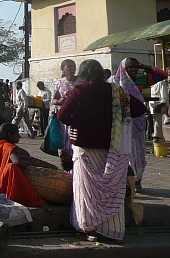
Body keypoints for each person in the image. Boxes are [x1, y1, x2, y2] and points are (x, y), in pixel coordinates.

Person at [58, 59, 146, 241]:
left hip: (86, 148)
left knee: (88, 191)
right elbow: (139, 109)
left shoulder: (79, 91)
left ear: (84, 74)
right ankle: (111, 228)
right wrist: (119, 120)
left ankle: (90, 229)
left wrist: (80, 122)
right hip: (113, 148)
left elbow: (63, 116)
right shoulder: (116, 91)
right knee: (111, 189)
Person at [113, 57, 167, 192]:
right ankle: (128, 182)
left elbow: (163, 75)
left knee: (139, 154)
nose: (133, 70)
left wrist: (145, 66)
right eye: (130, 67)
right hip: (122, 125)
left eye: (135, 67)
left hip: (138, 125)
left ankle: (137, 180)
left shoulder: (141, 80)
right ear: (123, 68)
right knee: (126, 153)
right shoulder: (115, 82)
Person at [0, 123, 56, 208]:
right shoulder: (7, 146)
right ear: (10, 135)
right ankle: (33, 200)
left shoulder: (0, 144)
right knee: (12, 168)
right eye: (17, 133)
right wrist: (30, 164)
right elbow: (17, 161)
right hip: (0, 183)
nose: (19, 136)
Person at [50, 59, 78, 162]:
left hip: (78, 116)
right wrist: (60, 101)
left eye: (73, 66)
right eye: (69, 67)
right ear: (63, 69)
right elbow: (53, 100)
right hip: (65, 118)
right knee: (66, 140)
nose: (72, 69)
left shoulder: (80, 81)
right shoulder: (59, 83)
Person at [150, 75, 169, 141]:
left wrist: (159, 106)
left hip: (160, 106)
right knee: (155, 122)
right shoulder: (150, 84)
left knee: (157, 122)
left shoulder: (161, 82)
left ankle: (157, 138)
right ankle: (160, 139)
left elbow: (165, 98)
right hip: (152, 107)